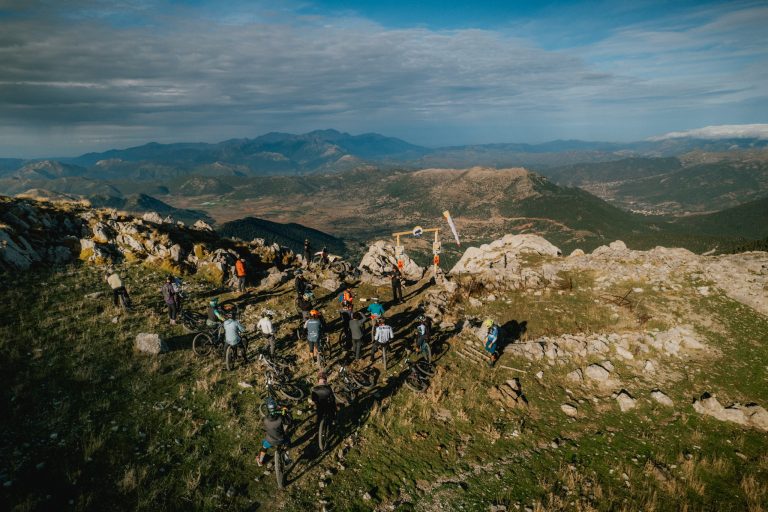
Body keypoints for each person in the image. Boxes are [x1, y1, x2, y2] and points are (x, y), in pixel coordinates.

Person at [257, 397, 291, 467]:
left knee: (264, 447)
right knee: (288, 442)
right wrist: (285, 413)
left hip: (270, 441)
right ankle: (287, 460)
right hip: (281, 440)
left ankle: (260, 462)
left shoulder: (265, 419)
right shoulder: (280, 417)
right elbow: (288, 422)